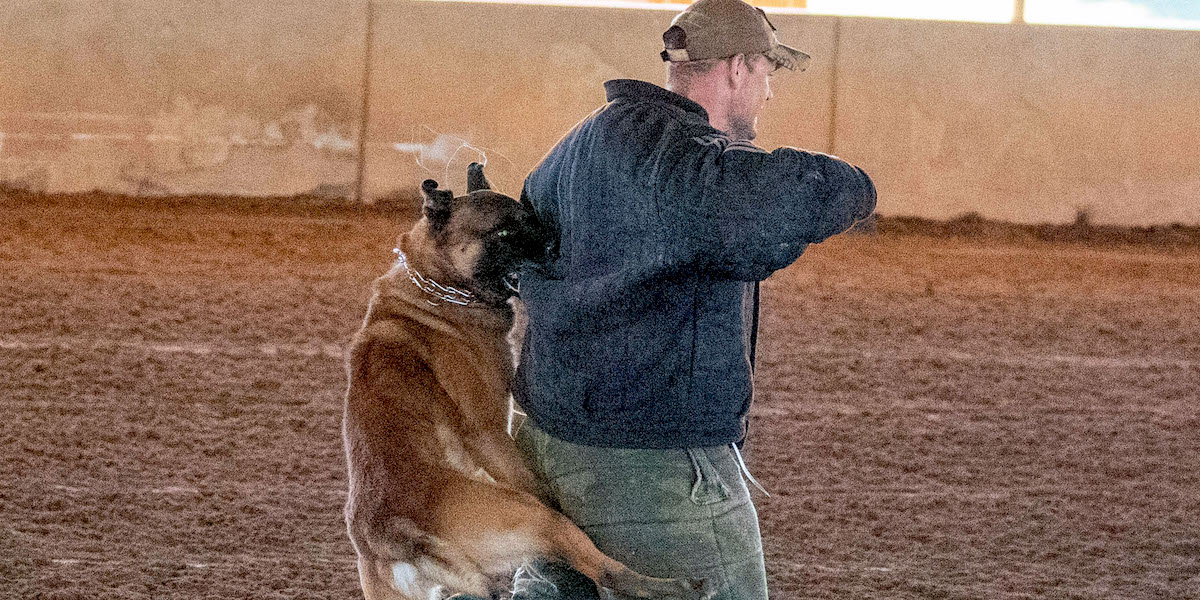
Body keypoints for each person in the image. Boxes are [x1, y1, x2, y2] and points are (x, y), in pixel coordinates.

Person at [509, 0, 877, 598]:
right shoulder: (683, 163)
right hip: (651, 459)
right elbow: (764, 208)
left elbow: (520, 252)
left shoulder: (578, 145)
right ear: (737, 68)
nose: (768, 93)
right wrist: (855, 185)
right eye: (767, 73)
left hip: (544, 441)